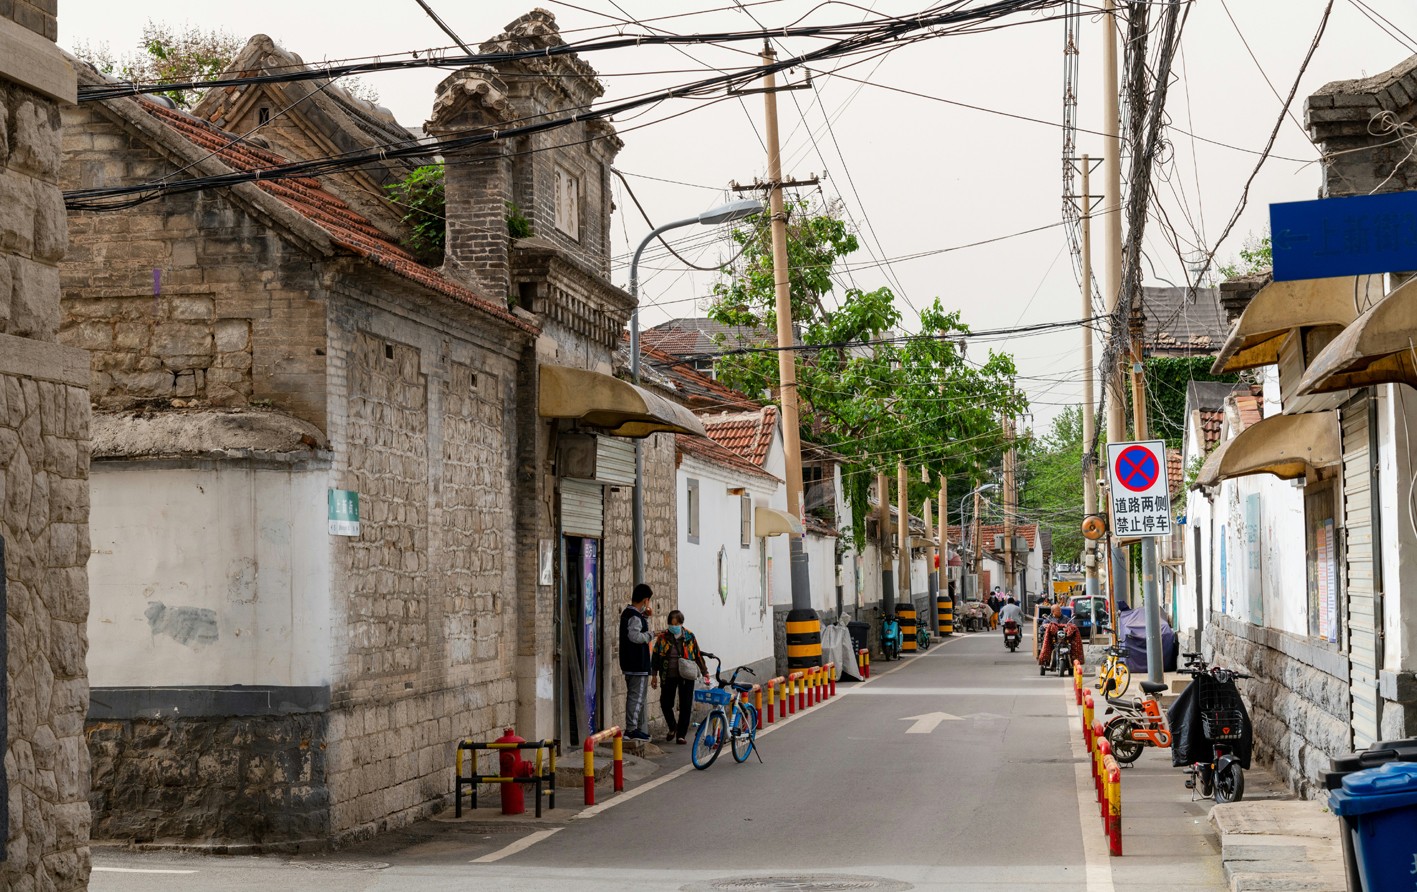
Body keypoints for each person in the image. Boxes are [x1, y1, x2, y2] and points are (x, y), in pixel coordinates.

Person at [650, 610, 708, 745]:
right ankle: (672, 726)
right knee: (665, 703)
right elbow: (656, 657)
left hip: (686, 676)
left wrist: (704, 671)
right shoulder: (663, 638)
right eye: (671, 623)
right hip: (668, 675)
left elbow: (697, 654)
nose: (673, 626)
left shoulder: (689, 636)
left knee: (686, 705)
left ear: (681, 623)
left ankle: (681, 735)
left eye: (676, 624)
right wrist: (653, 675)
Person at [619, 583, 654, 741]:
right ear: (646, 600)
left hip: (630, 663)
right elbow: (635, 636)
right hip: (637, 663)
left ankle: (634, 728)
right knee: (637, 697)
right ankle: (631, 730)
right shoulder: (634, 616)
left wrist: (645, 617)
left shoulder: (629, 613)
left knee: (635, 696)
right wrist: (651, 635)